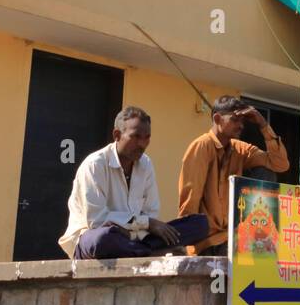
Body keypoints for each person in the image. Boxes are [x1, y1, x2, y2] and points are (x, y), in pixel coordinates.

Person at [60, 106, 209, 259]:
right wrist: (146, 224)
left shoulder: (146, 164)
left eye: (147, 137)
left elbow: (151, 211)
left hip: (136, 238)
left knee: (200, 225)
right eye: (136, 136)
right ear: (117, 135)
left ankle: (142, 251)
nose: (142, 144)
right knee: (102, 238)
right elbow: (96, 221)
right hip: (94, 238)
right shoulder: (94, 165)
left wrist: (141, 228)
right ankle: (150, 253)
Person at [178, 95, 289, 255]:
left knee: (266, 172)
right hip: (208, 242)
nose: (241, 126)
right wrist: (187, 244)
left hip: (235, 237)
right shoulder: (201, 146)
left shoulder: (240, 149)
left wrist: (263, 124)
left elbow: (280, 164)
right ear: (217, 118)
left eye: (242, 121)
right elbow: (190, 200)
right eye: (235, 120)